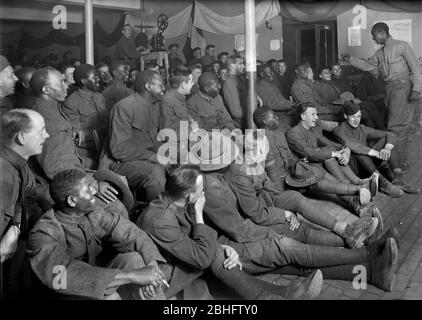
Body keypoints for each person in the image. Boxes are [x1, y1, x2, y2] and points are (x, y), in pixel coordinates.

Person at [196, 131, 398, 292]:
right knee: (288, 245)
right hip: (233, 243)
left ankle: (367, 251)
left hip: (241, 231)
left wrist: (280, 215)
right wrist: (274, 227)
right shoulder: (215, 189)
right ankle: (369, 251)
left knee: (297, 240)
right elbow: (241, 227)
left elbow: (259, 198)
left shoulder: (220, 176)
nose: (236, 157)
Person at [137, 165, 324, 300]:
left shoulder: (177, 201)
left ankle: (285, 289)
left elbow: (191, 239)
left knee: (224, 252)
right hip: (166, 270)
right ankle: (281, 293)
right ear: (188, 195)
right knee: (216, 256)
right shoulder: (161, 218)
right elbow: (199, 256)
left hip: (182, 253)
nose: (204, 193)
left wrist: (225, 247)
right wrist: (199, 214)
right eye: (201, 190)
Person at [27, 169, 167, 300]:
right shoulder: (44, 232)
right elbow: (62, 277)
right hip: (64, 292)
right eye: (88, 188)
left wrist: (151, 267)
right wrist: (132, 276)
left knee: (134, 259)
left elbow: (132, 234)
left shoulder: (94, 213)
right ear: (72, 201)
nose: (95, 190)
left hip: (95, 279)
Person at [30, 67, 129, 215]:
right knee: (116, 208)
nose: (66, 85)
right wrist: (91, 183)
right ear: (46, 90)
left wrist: (72, 129)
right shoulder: (48, 119)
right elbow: (56, 168)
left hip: (74, 170)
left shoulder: (50, 109)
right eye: (61, 83)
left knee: (118, 182)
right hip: (62, 186)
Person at [253, 106, 378, 213]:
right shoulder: (258, 138)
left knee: (319, 173)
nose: (277, 118)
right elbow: (269, 171)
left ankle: (355, 201)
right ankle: (359, 189)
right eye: (273, 116)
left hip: (293, 172)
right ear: (264, 120)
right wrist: (280, 195)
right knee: (315, 180)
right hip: (283, 182)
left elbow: (290, 158)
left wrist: (300, 165)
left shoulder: (278, 132)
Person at [0, 109, 50, 299]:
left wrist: (15, 227)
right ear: (21, 137)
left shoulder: (20, 164)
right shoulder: (4, 176)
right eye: (41, 131)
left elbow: (27, 200)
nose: (47, 135)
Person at [334, 101, 418, 195]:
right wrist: (378, 153)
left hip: (370, 166)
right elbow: (353, 145)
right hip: (355, 170)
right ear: (346, 116)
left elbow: (390, 134)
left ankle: (399, 179)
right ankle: (383, 183)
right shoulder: (339, 130)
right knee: (359, 151)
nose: (356, 120)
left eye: (358, 116)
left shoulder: (362, 128)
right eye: (353, 117)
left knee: (386, 141)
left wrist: (387, 148)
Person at [108, 70, 166, 202]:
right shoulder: (124, 107)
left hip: (145, 157)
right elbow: (120, 149)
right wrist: (153, 157)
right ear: (148, 86)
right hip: (122, 163)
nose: (164, 88)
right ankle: (156, 216)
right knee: (154, 174)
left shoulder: (153, 106)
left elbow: (153, 139)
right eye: (161, 85)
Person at [62, 64, 108, 170]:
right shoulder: (71, 103)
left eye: (97, 76)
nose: (98, 79)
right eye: (94, 77)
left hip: (104, 146)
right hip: (88, 152)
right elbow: (77, 138)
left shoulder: (100, 96)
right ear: (83, 81)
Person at [159, 66, 197, 143]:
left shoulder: (180, 97)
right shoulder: (168, 100)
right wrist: (191, 129)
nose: (193, 84)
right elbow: (166, 135)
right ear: (183, 85)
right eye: (190, 82)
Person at [256, 64, 295, 132]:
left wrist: (294, 104)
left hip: (284, 114)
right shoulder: (261, 87)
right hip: (276, 116)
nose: (272, 74)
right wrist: (292, 105)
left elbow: (282, 100)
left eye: (272, 72)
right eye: (269, 73)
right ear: (262, 74)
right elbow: (272, 104)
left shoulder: (271, 86)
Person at [223, 55, 247, 129]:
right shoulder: (229, 83)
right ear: (232, 66)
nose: (243, 66)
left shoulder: (240, 78)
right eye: (240, 64)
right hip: (242, 124)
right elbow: (236, 112)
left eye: (243, 63)